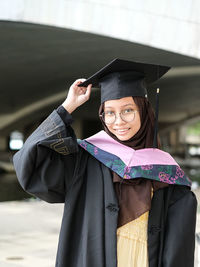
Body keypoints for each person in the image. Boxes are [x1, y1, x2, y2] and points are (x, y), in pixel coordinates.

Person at [13, 58, 197, 267]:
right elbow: (30, 164)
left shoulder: (167, 173)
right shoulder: (85, 159)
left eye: (128, 110)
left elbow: (178, 249)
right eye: (110, 112)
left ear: (144, 112)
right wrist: (67, 107)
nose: (118, 121)